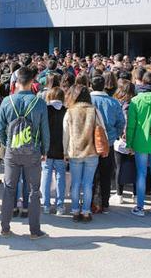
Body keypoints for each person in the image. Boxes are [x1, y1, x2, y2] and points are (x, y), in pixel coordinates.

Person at [0, 66, 49, 239]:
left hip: (12, 151)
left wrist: (8, 143)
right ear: (33, 81)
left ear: (16, 81)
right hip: (32, 151)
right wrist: (44, 150)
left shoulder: (7, 101)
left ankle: (5, 227)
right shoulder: (39, 102)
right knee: (34, 190)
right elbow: (44, 130)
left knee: (9, 188)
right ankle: (34, 230)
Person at [126, 71, 151, 217]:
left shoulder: (136, 100)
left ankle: (140, 207)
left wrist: (129, 143)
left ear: (142, 82)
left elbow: (131, 125)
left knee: (141, 174)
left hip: (140, 141)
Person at [63, 84, 101, 222]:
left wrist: (65, 152)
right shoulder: (94, 110)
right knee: (87, 183)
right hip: (92, 151)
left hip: (75, 151)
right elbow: (101, 130)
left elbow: (65, 134)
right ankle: (86, 211)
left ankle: (75, 210)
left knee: (76, 182)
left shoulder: (70, 111)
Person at [89, 73, 124, 212]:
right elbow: (121, 122)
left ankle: (90, 201)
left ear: (91, 86)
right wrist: (114, 135)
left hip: (90, 141)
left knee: (90, 174)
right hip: (107, 142)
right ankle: (104, 202)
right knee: (105, 173)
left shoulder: (87, 101)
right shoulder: (113, 102)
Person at [42, 86, 67, 215]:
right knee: (60, 176)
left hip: (46, 148)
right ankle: (60, 205)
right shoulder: (66, 111)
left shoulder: (45, 110)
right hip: (61, 149)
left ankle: (46, 204)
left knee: (46, 175)